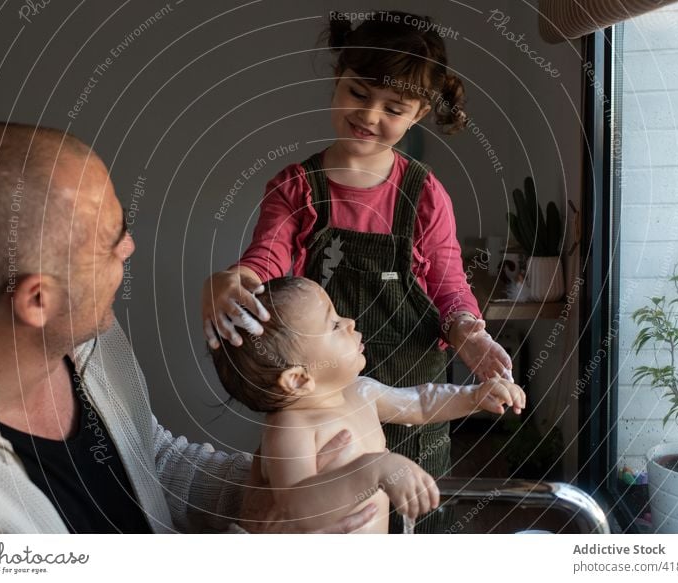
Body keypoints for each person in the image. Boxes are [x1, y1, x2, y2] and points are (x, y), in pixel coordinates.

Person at [0, 122, 372, 534]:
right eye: (111, 241)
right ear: (38, 301)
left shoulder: (91, 344)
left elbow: (147, 461)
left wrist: (276, 483)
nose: (130, 247)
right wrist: (257, 541)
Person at [202, 11, 513, 532]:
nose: (369, 115)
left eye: (393, 108)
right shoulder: (297, 188)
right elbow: (266, 263)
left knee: (418, 524)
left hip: (417, 401)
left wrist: (473, 338)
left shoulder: (426, 195)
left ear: (417, 114)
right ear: (337, 81)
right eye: (357, 93)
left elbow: (448, 285)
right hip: (320, 410)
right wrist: (232, 284)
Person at [210, 276, 525, 533]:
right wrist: (372, 468)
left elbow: (421, 403)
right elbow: (298, 509)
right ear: (299, 379)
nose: (349, 322)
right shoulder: (290, 429)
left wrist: (473, 396)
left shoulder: (361, 392)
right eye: (333, 324)